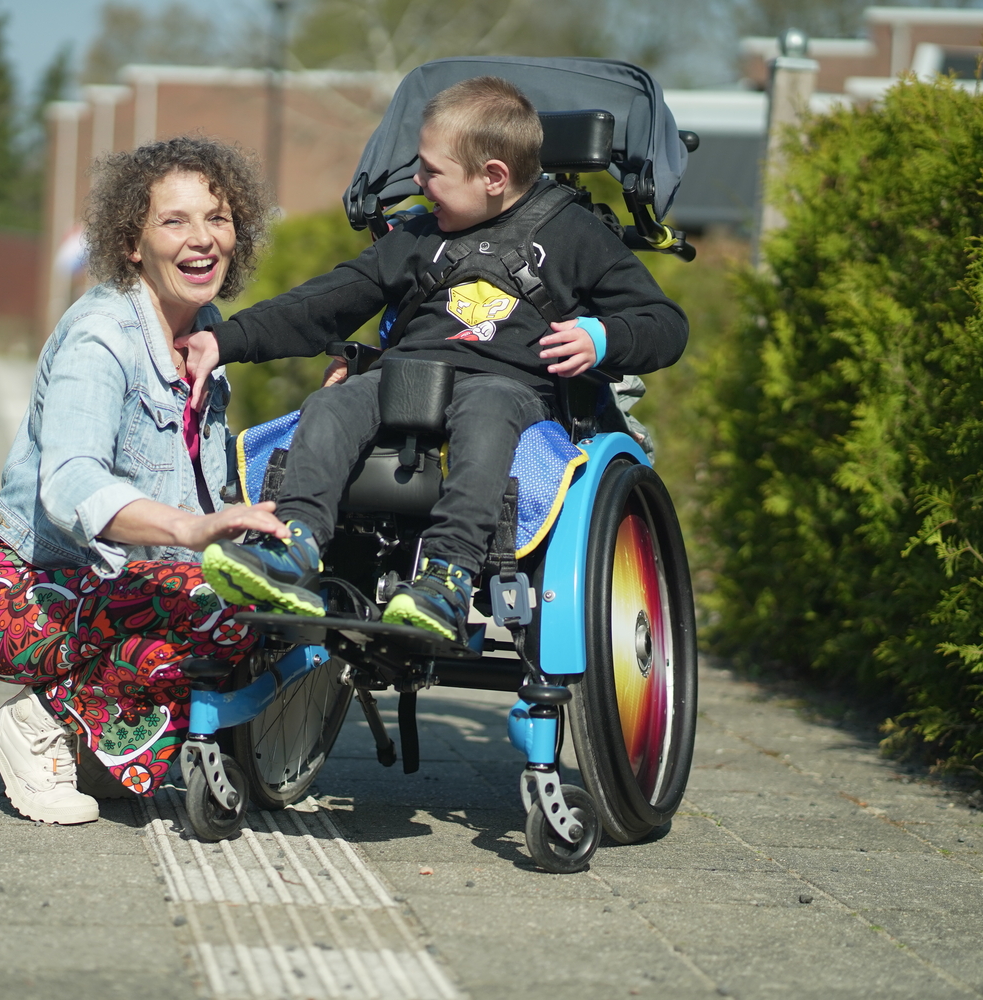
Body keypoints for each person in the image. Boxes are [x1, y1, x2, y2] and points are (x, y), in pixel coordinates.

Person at [181, 76, 689, 641]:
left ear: (493, 177)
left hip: (508, 388)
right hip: (404, 379)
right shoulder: (417, 237)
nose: (418, 183)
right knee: (331, 403)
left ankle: (447, 575)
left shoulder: (577, 235)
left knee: (487, 409)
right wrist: (225, 340)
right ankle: (292, 545)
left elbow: (665, 324)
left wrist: (604, 336)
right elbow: (323, 303)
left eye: (430, 171)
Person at [0, 136, 283, 825]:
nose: (202, 239)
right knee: (212, 599)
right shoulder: (103, 335)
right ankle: (38, 725)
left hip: (116, 587)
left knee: (260, 598)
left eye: (217, 219)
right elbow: (70, 483)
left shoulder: (205, 333)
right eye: (175, 221)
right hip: (19, 591)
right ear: (132, 242)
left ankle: (84, 741)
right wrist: (191, 530)